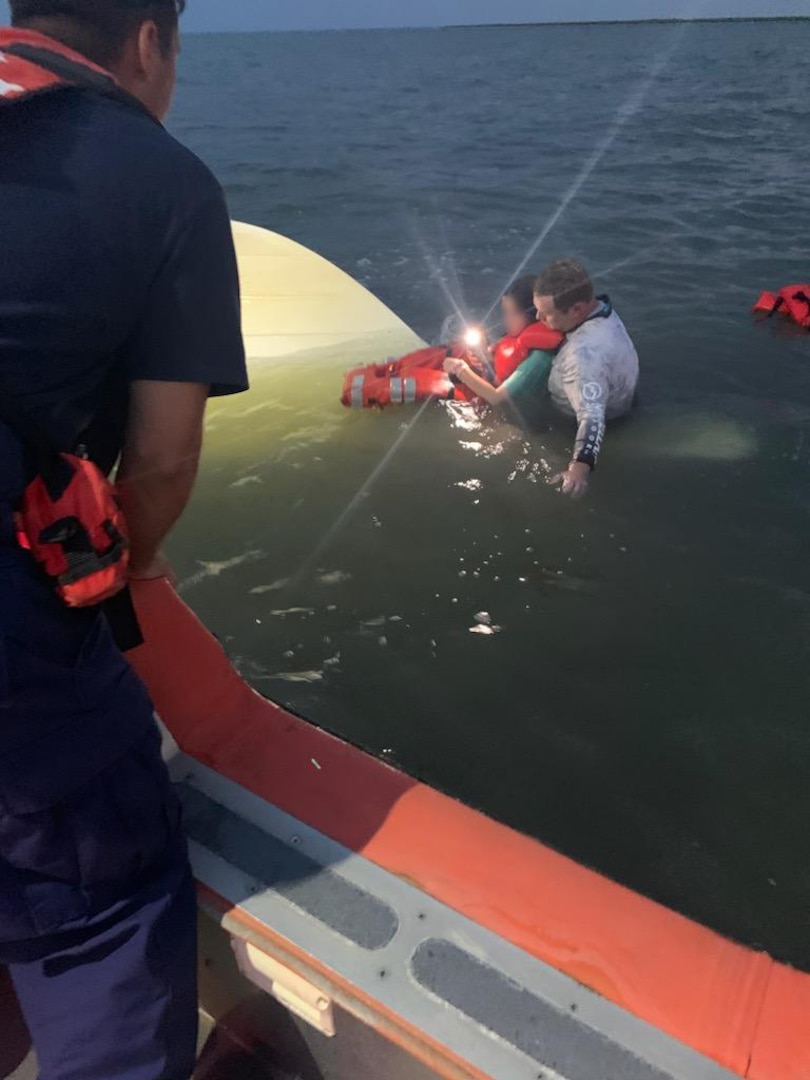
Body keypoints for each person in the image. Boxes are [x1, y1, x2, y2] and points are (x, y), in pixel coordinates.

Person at [0, 3, 248, 1078]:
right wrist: (125, 563)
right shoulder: (164, 182)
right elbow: (161, 462)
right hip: (19, 687)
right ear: (150, 42)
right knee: (105, 898)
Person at [446, 259, 639, 496]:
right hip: (613, 391)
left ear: (577, 309)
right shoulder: (598, 308)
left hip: (569, 420)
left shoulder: (583, 359)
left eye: (546, 314)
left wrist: (578, 469)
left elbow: (592, 419)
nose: (537, 317)